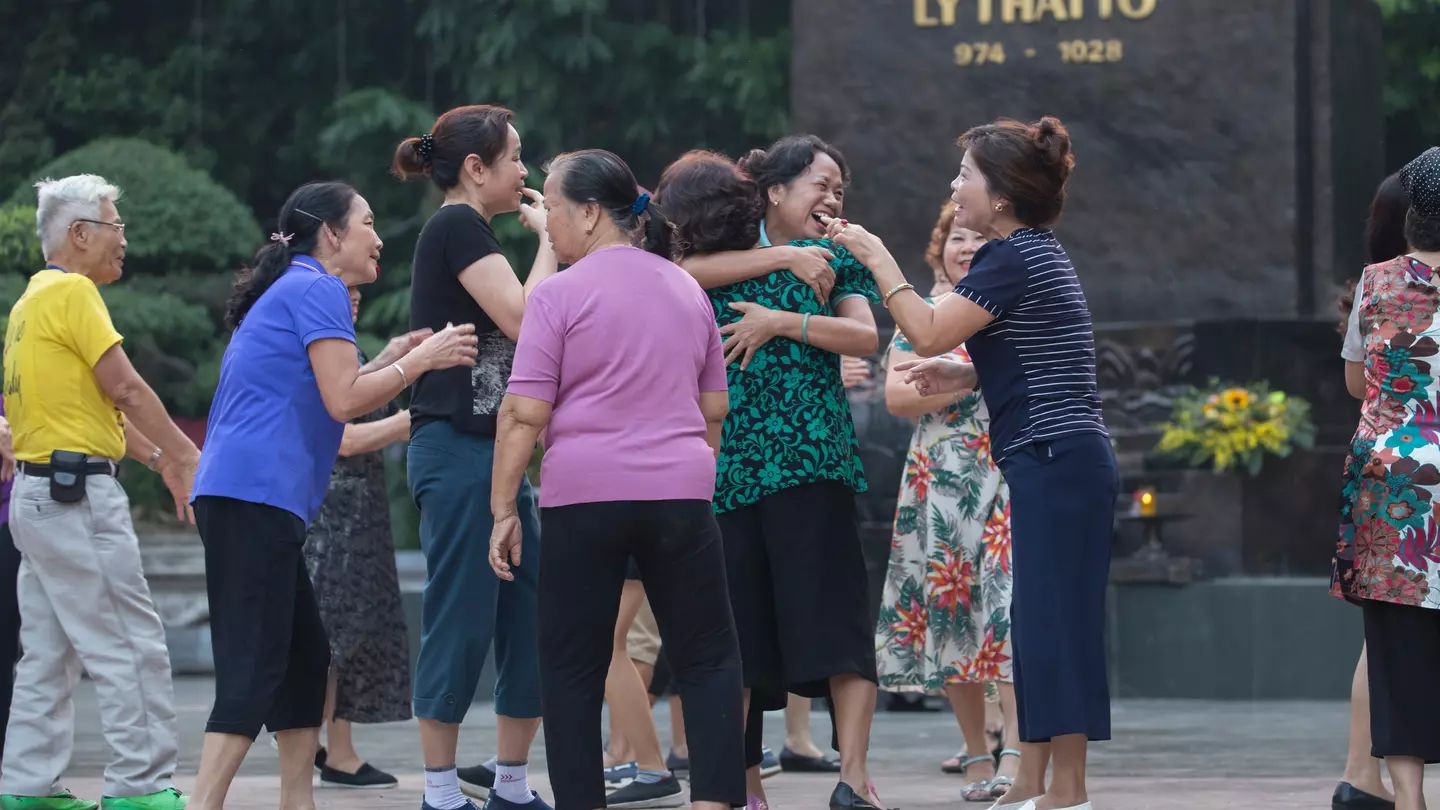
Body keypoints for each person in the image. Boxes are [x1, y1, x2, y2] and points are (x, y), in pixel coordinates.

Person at [832, 117, 1114, 810]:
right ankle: (1041, 783)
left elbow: (927, 329)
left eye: (967, 176)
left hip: (1055, 460)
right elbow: (1037, 357)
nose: (956, 189)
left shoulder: (1012, 258)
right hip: (1058, 458)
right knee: (1048, 624)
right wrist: (966, 379)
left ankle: (1066, 789)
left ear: (1005, 194)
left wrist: (876, 256)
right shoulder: (1032, 254)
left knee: (1054, 625)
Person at [186, 181, 477, 810]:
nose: (378, 237)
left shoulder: (295, 285)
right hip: (251, 496)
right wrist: (421, 360)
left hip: (254, 497)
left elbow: (326, 388)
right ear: (333, 234)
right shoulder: (316, 285)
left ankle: (299, 800)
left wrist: (395, 356)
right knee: (257, 662)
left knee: (304, 658)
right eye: (367, 222)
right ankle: (202, 803)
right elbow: (343, 406)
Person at [487, 148, 745, 810]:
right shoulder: (686, 288)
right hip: (681, 494)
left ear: (592, 213)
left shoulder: (557, 294)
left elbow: (522, 413)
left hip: (584, 497)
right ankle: (715, 802)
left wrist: (503, 509)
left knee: (572, 665)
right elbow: (714, 410)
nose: (549, 223)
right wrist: (689, 470)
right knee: (708, 657)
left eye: (555, 207)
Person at [655, 145, 883, 810]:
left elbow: (864, 337)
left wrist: (781, 321)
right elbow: (681, 271)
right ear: (774, 192)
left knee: (837, 624)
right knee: (738, 638)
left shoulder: (843, 258)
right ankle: (746, 786)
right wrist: (783, 259)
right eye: (821, 184)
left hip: (814, 464)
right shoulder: (726, 258)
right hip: (727, 473)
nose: (834, 199)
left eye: (841, 187)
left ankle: (853, 778)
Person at [1, 174, 201, 810]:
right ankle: (140, 789)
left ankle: (28, 789)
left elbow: (84, 415)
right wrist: (186, 455)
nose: (124, 240)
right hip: (77, 500)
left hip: (37, 498)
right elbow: (128, 390)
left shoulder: (29, 302)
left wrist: (155, 458)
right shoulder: (75, 294)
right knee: (130, 643)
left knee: (48, 655)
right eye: (115, 227)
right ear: (79, 235)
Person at [392, 104, 557, 810]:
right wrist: (551, 238)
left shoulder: (475, 232)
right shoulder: (456, 225)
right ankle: (438, 791)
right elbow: (528, 320)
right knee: (462, 614)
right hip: (457, 450)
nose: (525, 170)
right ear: (475, 168)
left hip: (497, 453)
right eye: (515, 157)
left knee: (527, 616)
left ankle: (511, 785)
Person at [876, 200, 1020, 803]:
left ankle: (1016, 746)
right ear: (940, 248)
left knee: (1010, 609)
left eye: (978, 239)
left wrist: (963, 375)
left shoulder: (1010, 312)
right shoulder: (926, 316)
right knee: (952, 614)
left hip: (1007, 471)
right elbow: (897, 398)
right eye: (957, 238)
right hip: (939, 482)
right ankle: (976, 755)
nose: (966, 248)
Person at [1331, 146, 1440, 810]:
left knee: (1395, 648)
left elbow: (1354, 378)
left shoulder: (1375, 283)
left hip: (1388, 484)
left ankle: (1406, 796)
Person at [299, 285, 416, 790]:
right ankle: (326, 752)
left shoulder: (344, 344)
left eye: (354, 291)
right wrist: (408, 421)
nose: (352, 298)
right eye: (340, 290)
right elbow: (341, 437)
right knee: (331, 640)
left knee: (345, 639)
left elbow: (356, 394)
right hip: (330, 517)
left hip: (355, 513)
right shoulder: (318, 344)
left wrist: (392, 357)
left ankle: (335, 749)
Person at [1332, 171, 1409, 810]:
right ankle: (1363, 774)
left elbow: (1358, 383)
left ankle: (1363, 773)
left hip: (1382, 466)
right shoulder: (1400, 285)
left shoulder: (1376, 283)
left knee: (1385, 637)